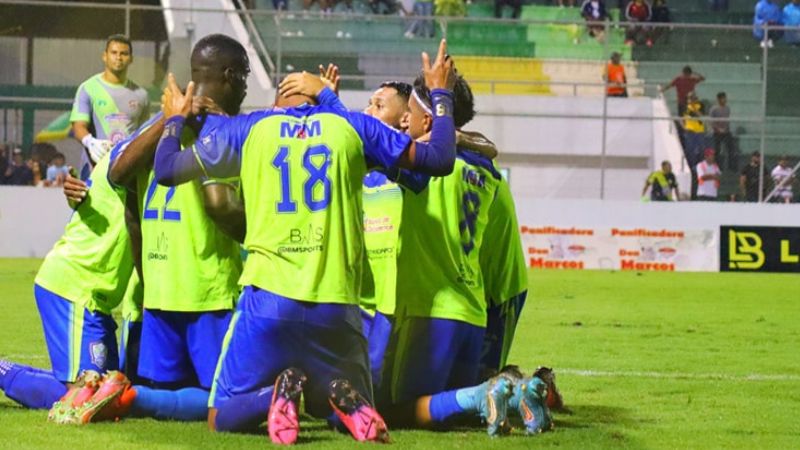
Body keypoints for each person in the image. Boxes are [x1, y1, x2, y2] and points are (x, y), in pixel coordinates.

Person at [152, 39, 458, 444]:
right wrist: (441, 94)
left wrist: (175, 120)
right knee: (346, 403)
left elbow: (167, 169)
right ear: (318, 97)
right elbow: (439, 159)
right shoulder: (352, 126)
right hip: (336, 307)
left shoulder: (252, 128)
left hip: (268, 301)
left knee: (220, 415)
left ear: (280, 101)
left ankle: (271, 399)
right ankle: (340, 401)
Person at [69, 34, 250, 426]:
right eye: (246, 77)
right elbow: (220, 205)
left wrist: (144, 271)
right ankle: (130, 395)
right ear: (231, 76)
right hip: (208, 290)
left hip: (160, 289)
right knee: (226, 402)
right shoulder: (222, 132)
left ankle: (125, 391)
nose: (248, 86)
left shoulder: (158, 128)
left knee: (169, 400)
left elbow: (119, 179)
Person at [380, 73, 551, 437]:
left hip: (430, 311)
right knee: (450, 405)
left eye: (409, 112)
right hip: (471, 314)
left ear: (429, 119)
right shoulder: (484, 168)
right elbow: (477, 146)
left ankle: (493, 392)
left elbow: (374, 150)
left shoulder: (423, 167)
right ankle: (522, 393)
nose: (404, 120)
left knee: (392, 410)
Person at [70, 34, 149, 181]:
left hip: (128, 173)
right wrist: (90, 142)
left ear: (131, 59)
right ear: (104, 56)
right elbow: (78, 127)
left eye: (124, 54)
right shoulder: (88, 88)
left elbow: (143, 133)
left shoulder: (141, 95)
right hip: (95, 169)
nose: (118, 58)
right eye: (114, 53)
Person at [682, 92, 706, 198]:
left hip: (698, 131)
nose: (690, 100)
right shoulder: (685, 107)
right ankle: (691, 165)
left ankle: (700, 166)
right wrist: (684, 126)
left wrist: (694, 108)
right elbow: (683, 118)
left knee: (701, 149)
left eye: (692, 98)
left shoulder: (700, 106)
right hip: (689, 130)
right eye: (689, 98)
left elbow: (701, 116)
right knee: (690, 149)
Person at [709, 92, 737, 171]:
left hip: (726, 132)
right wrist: (718, 129)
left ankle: (731, 167)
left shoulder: (727, 108)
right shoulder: (714, 109)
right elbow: (711, 121)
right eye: (723, 98)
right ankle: (717, 167)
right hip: (717, 132)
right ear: (719, 99)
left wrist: (725, 129)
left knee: (731, 149)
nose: (725, 100)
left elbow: (727, 120)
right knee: (717, 150)